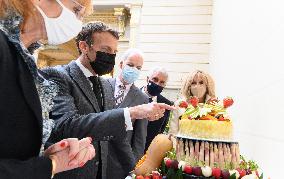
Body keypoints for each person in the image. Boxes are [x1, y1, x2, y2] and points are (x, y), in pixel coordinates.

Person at [43, 22, 174, 179]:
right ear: (84, 46)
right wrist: (132, 112)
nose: (110, 56)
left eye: (114, 52)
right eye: (106, 50)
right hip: (71, 173)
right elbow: (66, 125)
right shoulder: (58, 76)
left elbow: (116, 134)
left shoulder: (104, 85)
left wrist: (134, 171)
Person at [0, 0, 96, 178]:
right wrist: (50, 165)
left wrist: (48, 153)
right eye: (76, 11)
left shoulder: (23, 57)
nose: (78, 24)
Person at [106, 48, 148, 177]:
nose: (134, 69)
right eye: (130, 65)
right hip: (94, 156)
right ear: (121, 64)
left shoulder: (142, 98)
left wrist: (134, 167)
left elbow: (139, 138)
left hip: (120, 162)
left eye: (138, 67)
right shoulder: (103, 85)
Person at [169, 70, 216, 135]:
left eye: (201, 82)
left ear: (207, 86)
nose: (197, 86)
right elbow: (173, 132)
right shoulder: (180, 104)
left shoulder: (215, 104)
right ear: (188, 86)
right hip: (183, 143)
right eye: (193, 83)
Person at [143, 67, 173, 151]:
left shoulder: (166, 104)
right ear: (148, 79)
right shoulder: (132, 96)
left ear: (165, 85)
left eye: (162, 82)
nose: (157, 84)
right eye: (155, 79)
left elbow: (161, 129)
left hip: (150, 152)